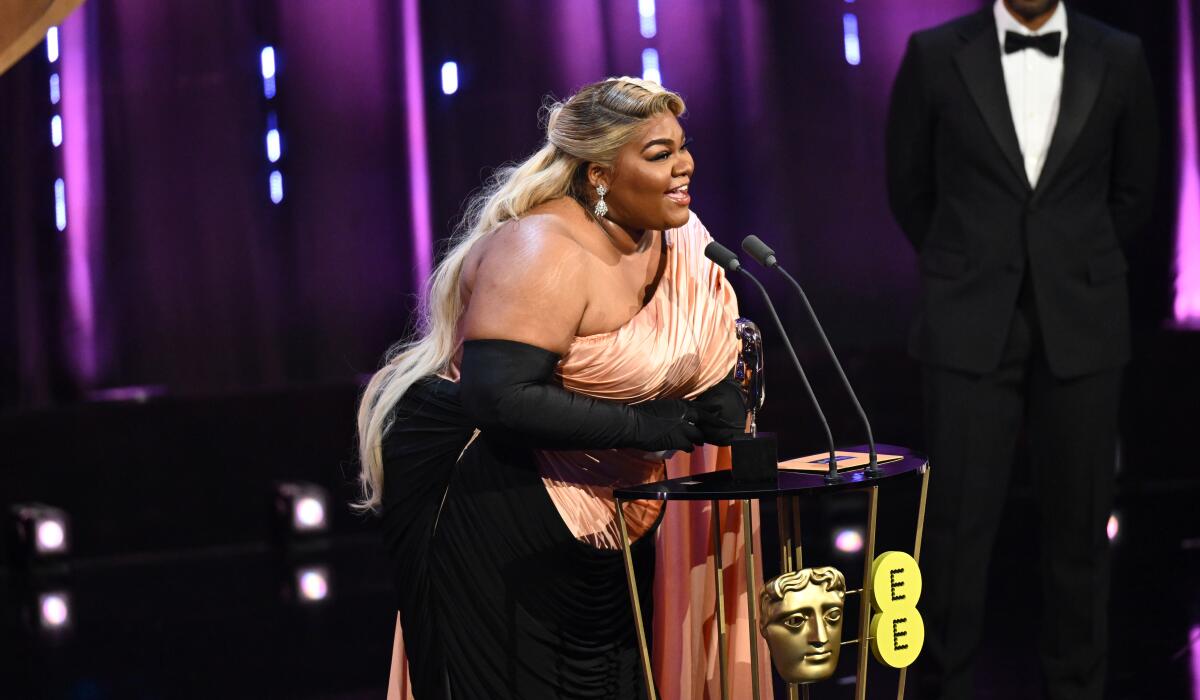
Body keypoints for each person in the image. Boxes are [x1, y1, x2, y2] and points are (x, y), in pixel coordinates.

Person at [356, 77, 752, 699]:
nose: (684, 165)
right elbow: (500, 398)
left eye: (683, 146)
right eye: (658, 154)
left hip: (611, 500)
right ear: (599, 174)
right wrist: (655, 428)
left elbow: (697, 341)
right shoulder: (542, 249)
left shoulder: (682, 240)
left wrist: (721, 391)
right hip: (492, 493)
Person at [885, 1, 1157, 698]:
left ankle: (1078, 687)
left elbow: (1135, 190)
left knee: (1080, 531)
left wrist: (1069, 262)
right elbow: (908, 185)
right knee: (953, 531)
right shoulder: (933, 53)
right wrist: (968, 264)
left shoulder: (1119, 54)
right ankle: (944, 687)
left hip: (1084, 319)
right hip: (969, 318)